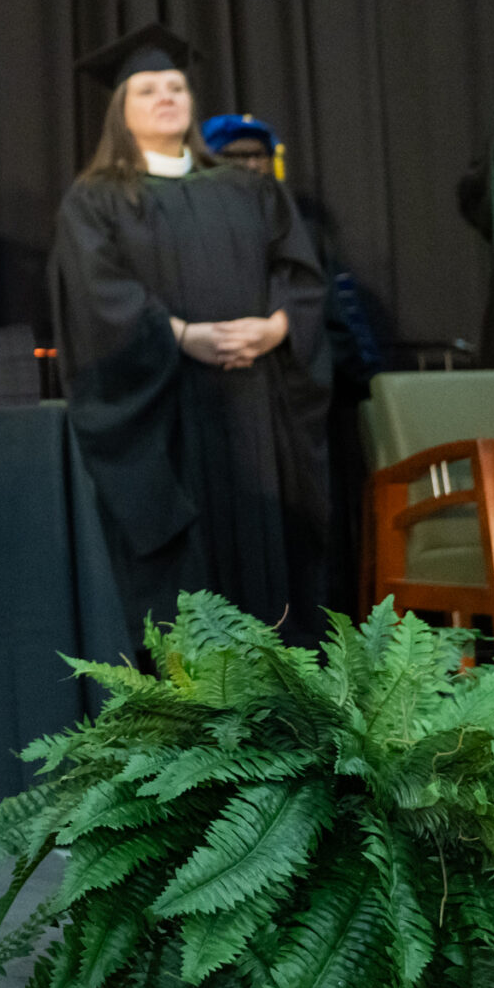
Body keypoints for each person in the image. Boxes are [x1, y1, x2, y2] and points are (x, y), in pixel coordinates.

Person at [48, 25, 331, 647]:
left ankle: (289, 696)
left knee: (271, 565)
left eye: (176, 86)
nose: (166, 97)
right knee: (189, 587)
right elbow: (98, 296)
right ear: (120, 111)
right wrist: (179, 336)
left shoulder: (249, 187)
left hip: (256, 407)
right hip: (165, 412)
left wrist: (277, 327)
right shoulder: (95, 201)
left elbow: (300, 273)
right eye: (147, 89)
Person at [202, 111, 385, 612]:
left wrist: (287, 337)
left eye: (257, 155)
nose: (249, 166)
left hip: (300, 398)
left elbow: (334, 321)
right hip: (224, 400)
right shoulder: (190, 228)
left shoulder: (298, 231)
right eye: (234, 156)